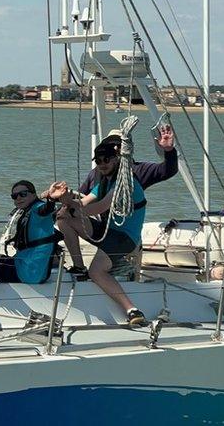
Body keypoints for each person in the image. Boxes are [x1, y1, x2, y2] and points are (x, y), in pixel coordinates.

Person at [56, 125, 179, 326]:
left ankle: (132, 310)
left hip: (125, 238)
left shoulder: (129, 178)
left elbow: (98, 207)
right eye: (99, 159)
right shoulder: (100, 178)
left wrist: (168, 151)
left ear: (120, 154)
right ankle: (79, 267)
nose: (103, 163)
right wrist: (62, 200)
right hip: (107, 232)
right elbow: (84, 202)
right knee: (62, 217)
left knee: (96, 271)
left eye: (109, 156)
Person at [0, 181, 77, 284]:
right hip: (29, 267)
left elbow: (46, 209)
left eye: (23, 194)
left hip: (27, 272)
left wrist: (51, 199)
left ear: (34, 195)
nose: (18, 198)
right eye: (14, 196)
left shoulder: (37, 209)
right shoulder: (30, 210)